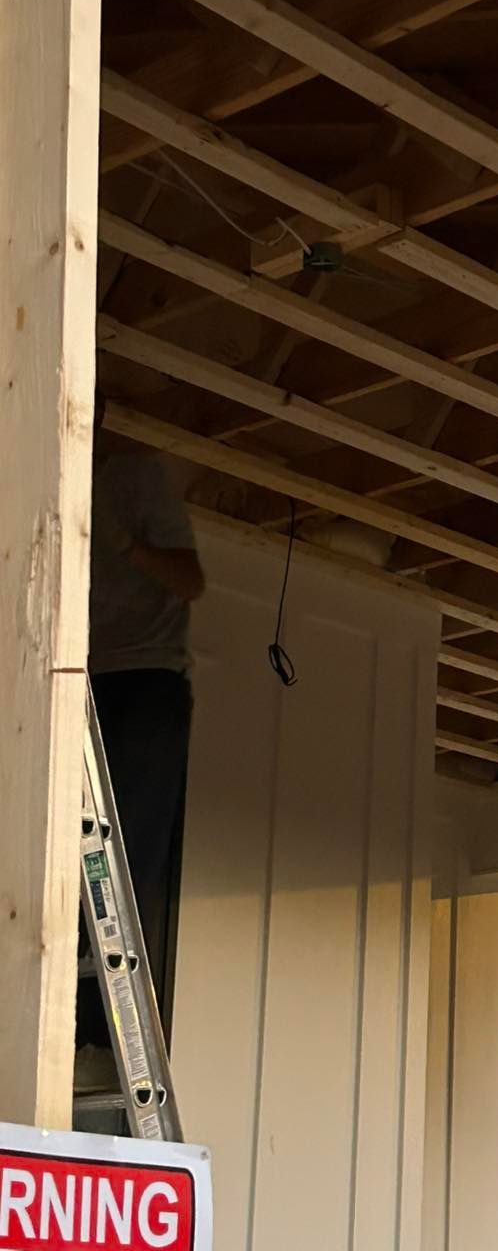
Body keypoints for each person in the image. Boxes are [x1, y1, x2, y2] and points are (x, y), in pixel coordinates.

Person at [75, 436, 205, 1091]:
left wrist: (123, 544)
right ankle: (70, 1029)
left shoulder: (135, 475)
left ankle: (101, 1043)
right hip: (79, 680)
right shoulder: (42, 469)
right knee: (67, 865)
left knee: (121, 865)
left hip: (146, 682)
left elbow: (191, 581)